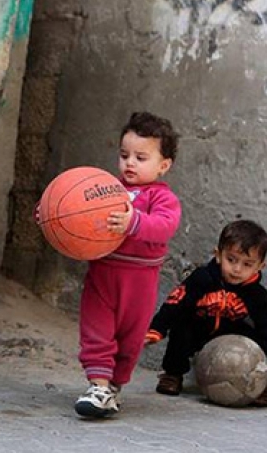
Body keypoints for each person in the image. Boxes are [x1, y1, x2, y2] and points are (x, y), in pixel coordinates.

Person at [70, 112, 182, 418]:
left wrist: (134, 222)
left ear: (163, 165)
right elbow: (73, 213)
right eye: (124, 155)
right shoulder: (105, 190)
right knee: (96, 331)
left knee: (130, 341)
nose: (130, 163)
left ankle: (113, 386)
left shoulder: (163, 198)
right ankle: (98, 385)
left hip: (140, 281)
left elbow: (164, 226)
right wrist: (52, 217)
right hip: (103, 273)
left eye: (140, 157)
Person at [145, 219, 267, 407]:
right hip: (200, 326)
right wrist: (156, 330)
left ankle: (259, 386)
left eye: (247, 264)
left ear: (260, 267)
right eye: (231, 260)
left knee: (258, 340)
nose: (237, 269)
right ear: (218, 255)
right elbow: (176, 303)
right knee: (181, 328)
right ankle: (173, 374)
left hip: (231, 331)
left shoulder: (257, 295)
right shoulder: (202, 279)